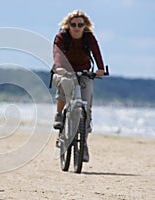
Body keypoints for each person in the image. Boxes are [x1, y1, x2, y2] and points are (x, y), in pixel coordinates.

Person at [52, 10, 105, 162]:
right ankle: (59, 114)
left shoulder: (89, 38)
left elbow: (96, 52)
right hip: (64, 71)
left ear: (85, 26)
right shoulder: (62, 37)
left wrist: (100, 68)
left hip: (84, 73)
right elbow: (57, 52)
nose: (76, 27)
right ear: (68, 25)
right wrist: (59, 67)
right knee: (65, 83)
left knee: (86, 106)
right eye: (73, 24)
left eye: (80, 24)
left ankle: (84, 144)